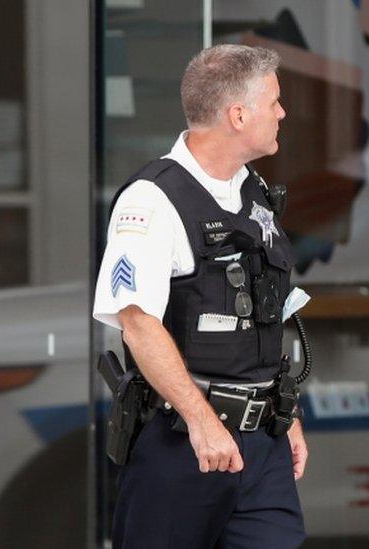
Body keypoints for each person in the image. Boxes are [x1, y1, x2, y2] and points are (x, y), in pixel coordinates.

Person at [92, 44, 308, 548]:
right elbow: (138, 324)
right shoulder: (153, 201)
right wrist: (201, 421)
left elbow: (262, 315)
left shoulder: (252, 192)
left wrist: (284, 414)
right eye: (273, 102)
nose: (282, 112)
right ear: (238, 115)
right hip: (185, 443)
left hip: (263, 447)